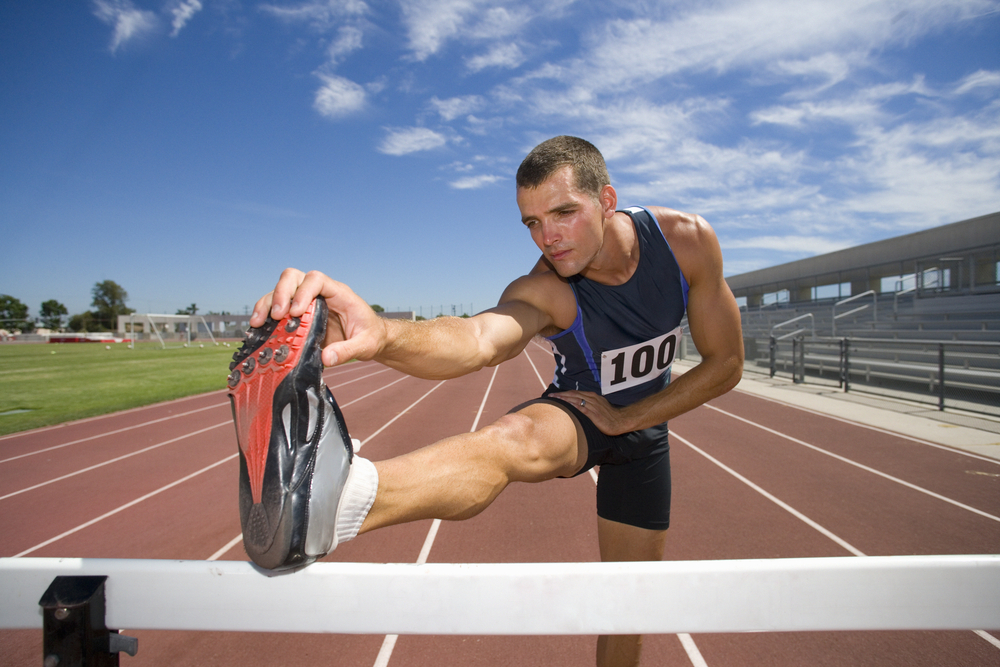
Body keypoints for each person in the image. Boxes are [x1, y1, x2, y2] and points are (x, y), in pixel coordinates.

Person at [228, 136, 744, 667]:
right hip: (580, 413)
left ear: (606, 200)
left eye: (563, 213)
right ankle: (342, 500)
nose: (548, 237)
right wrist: (380, 333)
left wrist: (631, 417)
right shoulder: (547, 287)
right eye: (532, 222)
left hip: (643, 433)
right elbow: (475, 341)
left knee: (630, 609)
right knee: (512, 440)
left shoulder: (686, 242)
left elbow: (726, 362)